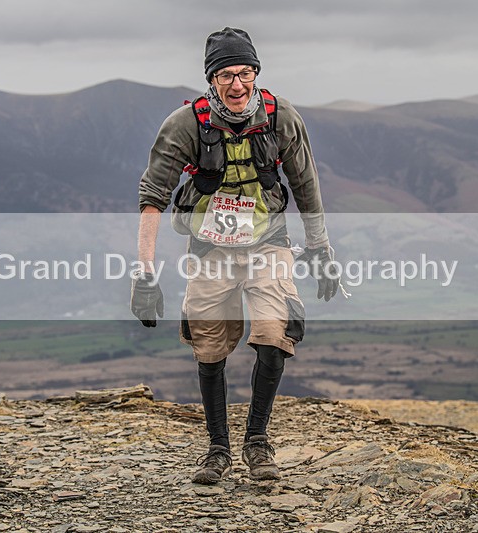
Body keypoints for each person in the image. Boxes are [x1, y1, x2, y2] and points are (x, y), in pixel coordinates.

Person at [131, 27, 340, 484]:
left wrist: (321, 248)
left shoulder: (282, 117)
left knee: (276, 330)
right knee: (208, 344)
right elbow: (153, 195)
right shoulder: (185, 124)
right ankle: (217, 448)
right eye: (226, 75)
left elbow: (306, 185)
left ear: (256, 73)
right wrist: (144, 274)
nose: (238, 84)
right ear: (211, 79)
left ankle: (257, 443)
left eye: (245, 72)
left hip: (269, 242)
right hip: (210, 250)